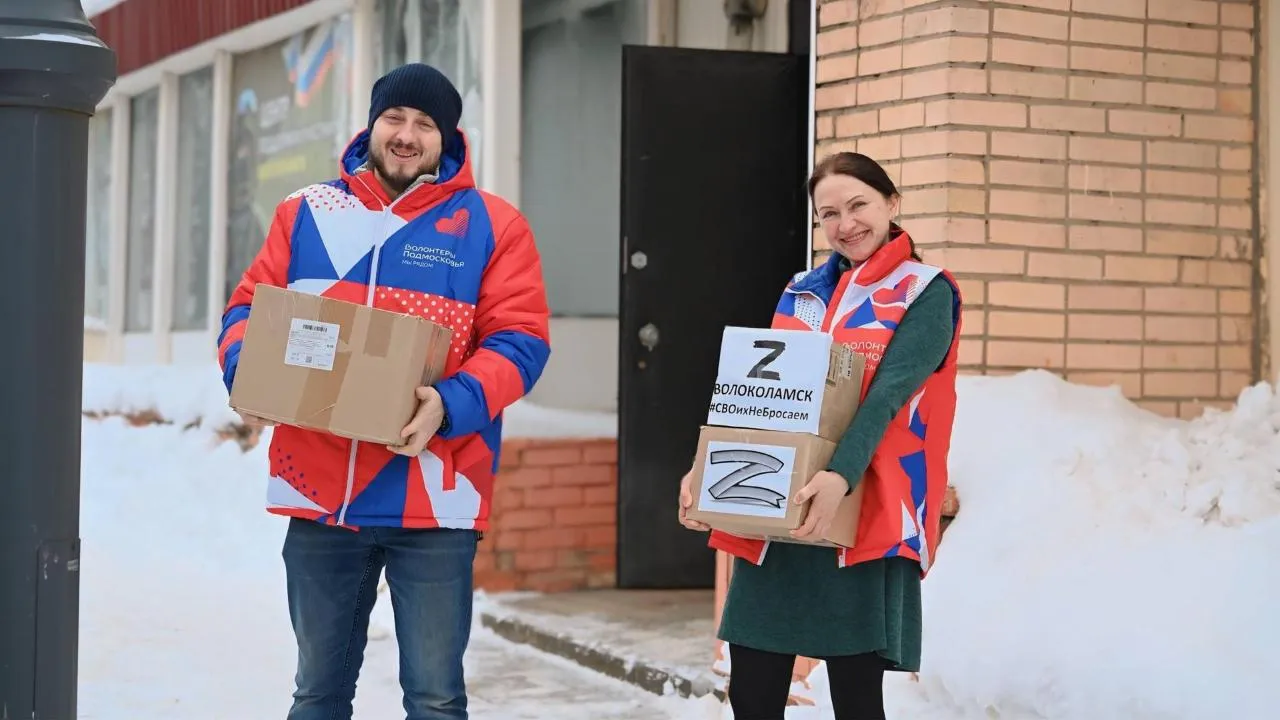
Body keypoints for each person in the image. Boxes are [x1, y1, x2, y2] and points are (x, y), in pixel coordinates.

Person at [217, 63, 551, 720]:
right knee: (317, 694)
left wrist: (449, 404)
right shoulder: (307, 211)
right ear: (372, 124)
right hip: (320, 499)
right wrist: (245, 373)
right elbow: (246, 312)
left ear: (446, 138)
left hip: (433, 496)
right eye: (394, 118)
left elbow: (521, 341)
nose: (406, 135)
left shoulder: (491, 223)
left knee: (433, 697)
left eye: (424, 123)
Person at [679, 151, 963, 720]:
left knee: (856, 700)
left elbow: (888, 397)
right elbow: (757, 391)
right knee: (753, 691)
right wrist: (705, 469)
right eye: (828, 213)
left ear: (891, 203)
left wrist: (839, 475)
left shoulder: (925, 291)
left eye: (858, 205)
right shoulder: (802, 290)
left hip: (862, 509)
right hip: (781, 511)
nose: (845, 224)